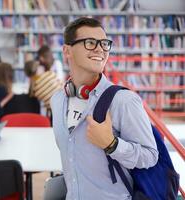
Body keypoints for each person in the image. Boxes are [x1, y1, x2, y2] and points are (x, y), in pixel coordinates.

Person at [50, 17, 158, 199]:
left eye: (104, 43)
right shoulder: (57, 100)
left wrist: (112, 144)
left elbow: (150, 156)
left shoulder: (123, 100)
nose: (100, 49)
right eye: (90, 42)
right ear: (67, 51)